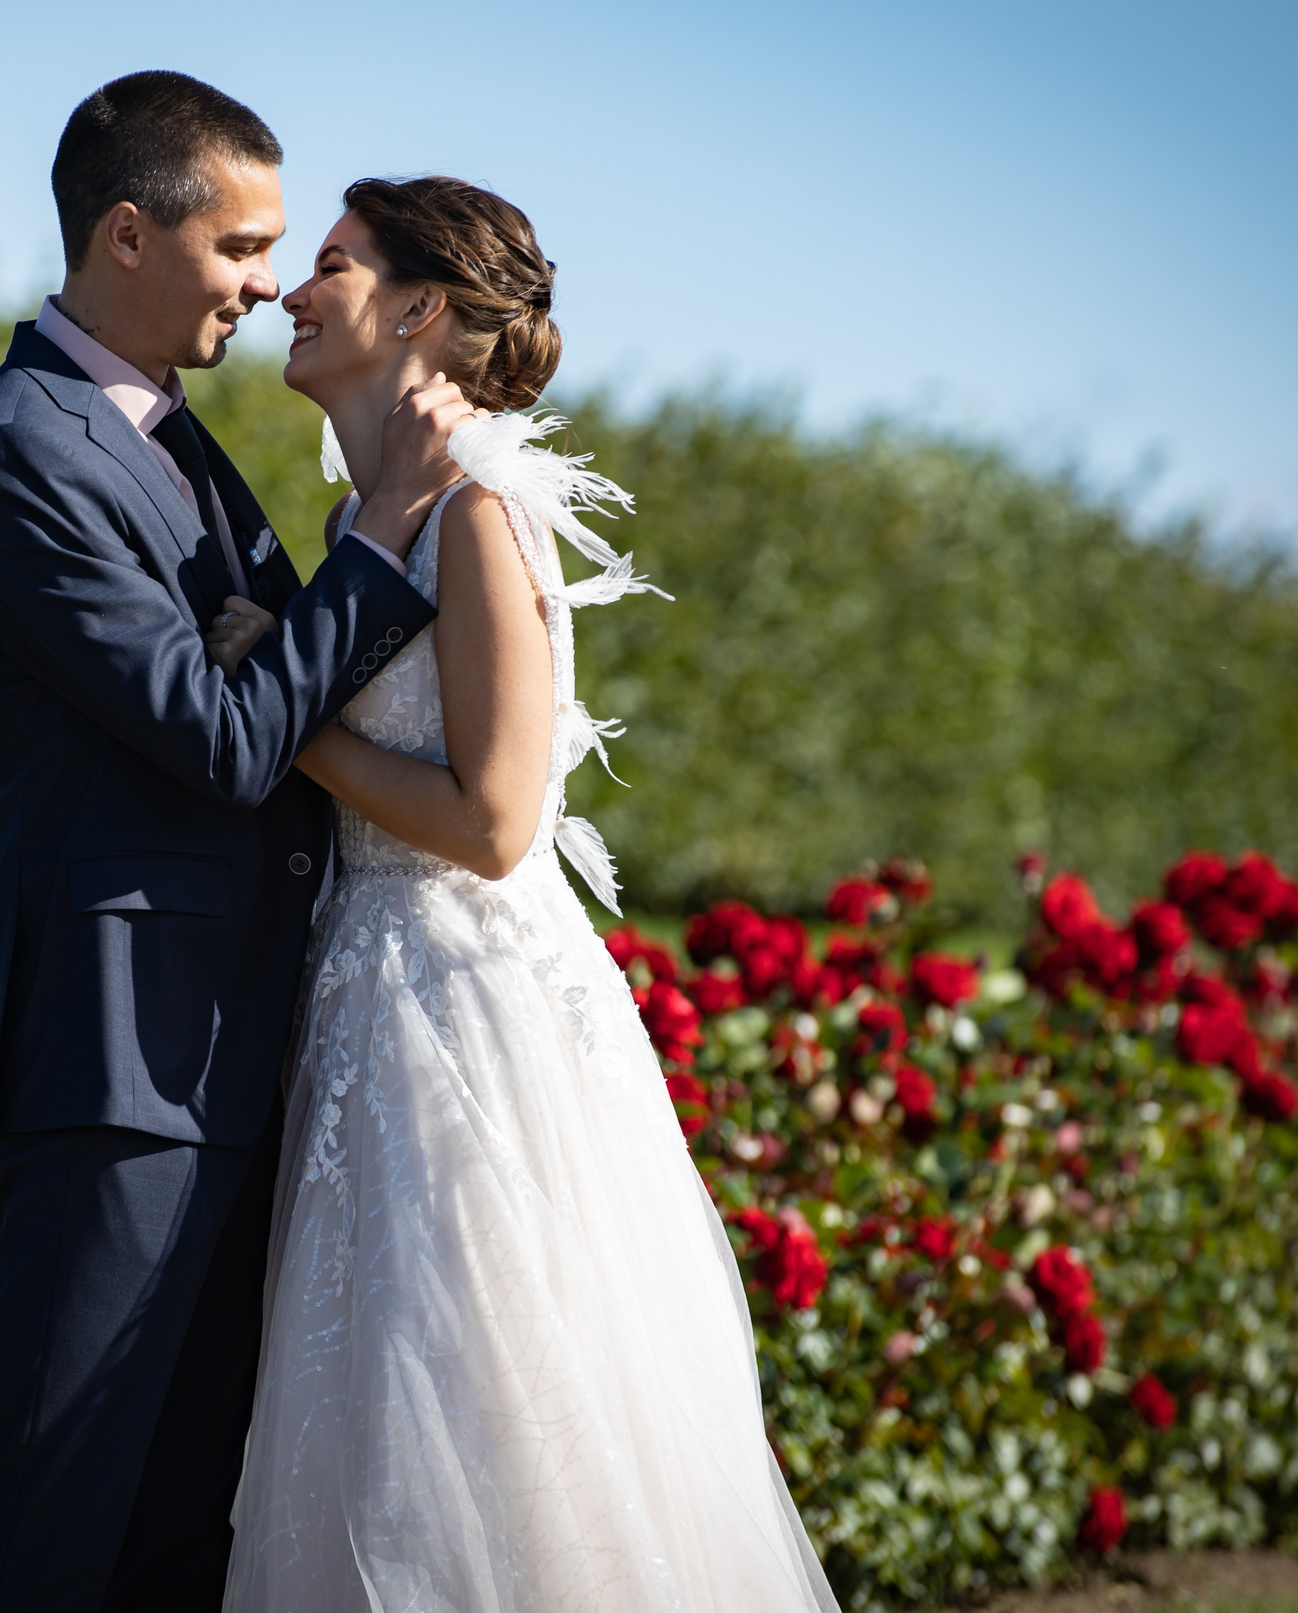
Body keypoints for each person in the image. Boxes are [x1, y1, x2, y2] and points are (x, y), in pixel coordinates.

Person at [215, 177, 843, 1612]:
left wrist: (282, 717)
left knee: (485, 1411)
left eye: (331, 266)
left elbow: (497, 824)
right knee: (365, 1419)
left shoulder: (479, 513)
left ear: (420, 309)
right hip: (365, 988)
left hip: (461, 1014)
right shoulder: (369, 515)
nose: (292, 294)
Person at [0, 73, 473, 1611]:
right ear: (126, 234)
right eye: (241, 246)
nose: (269, 283)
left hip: (230, 1054)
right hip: (121, 1067)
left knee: (179, 1529)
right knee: (54, 1519)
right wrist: (380, 540)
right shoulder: (23, 452)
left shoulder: (173, 433)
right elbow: (227, 741)